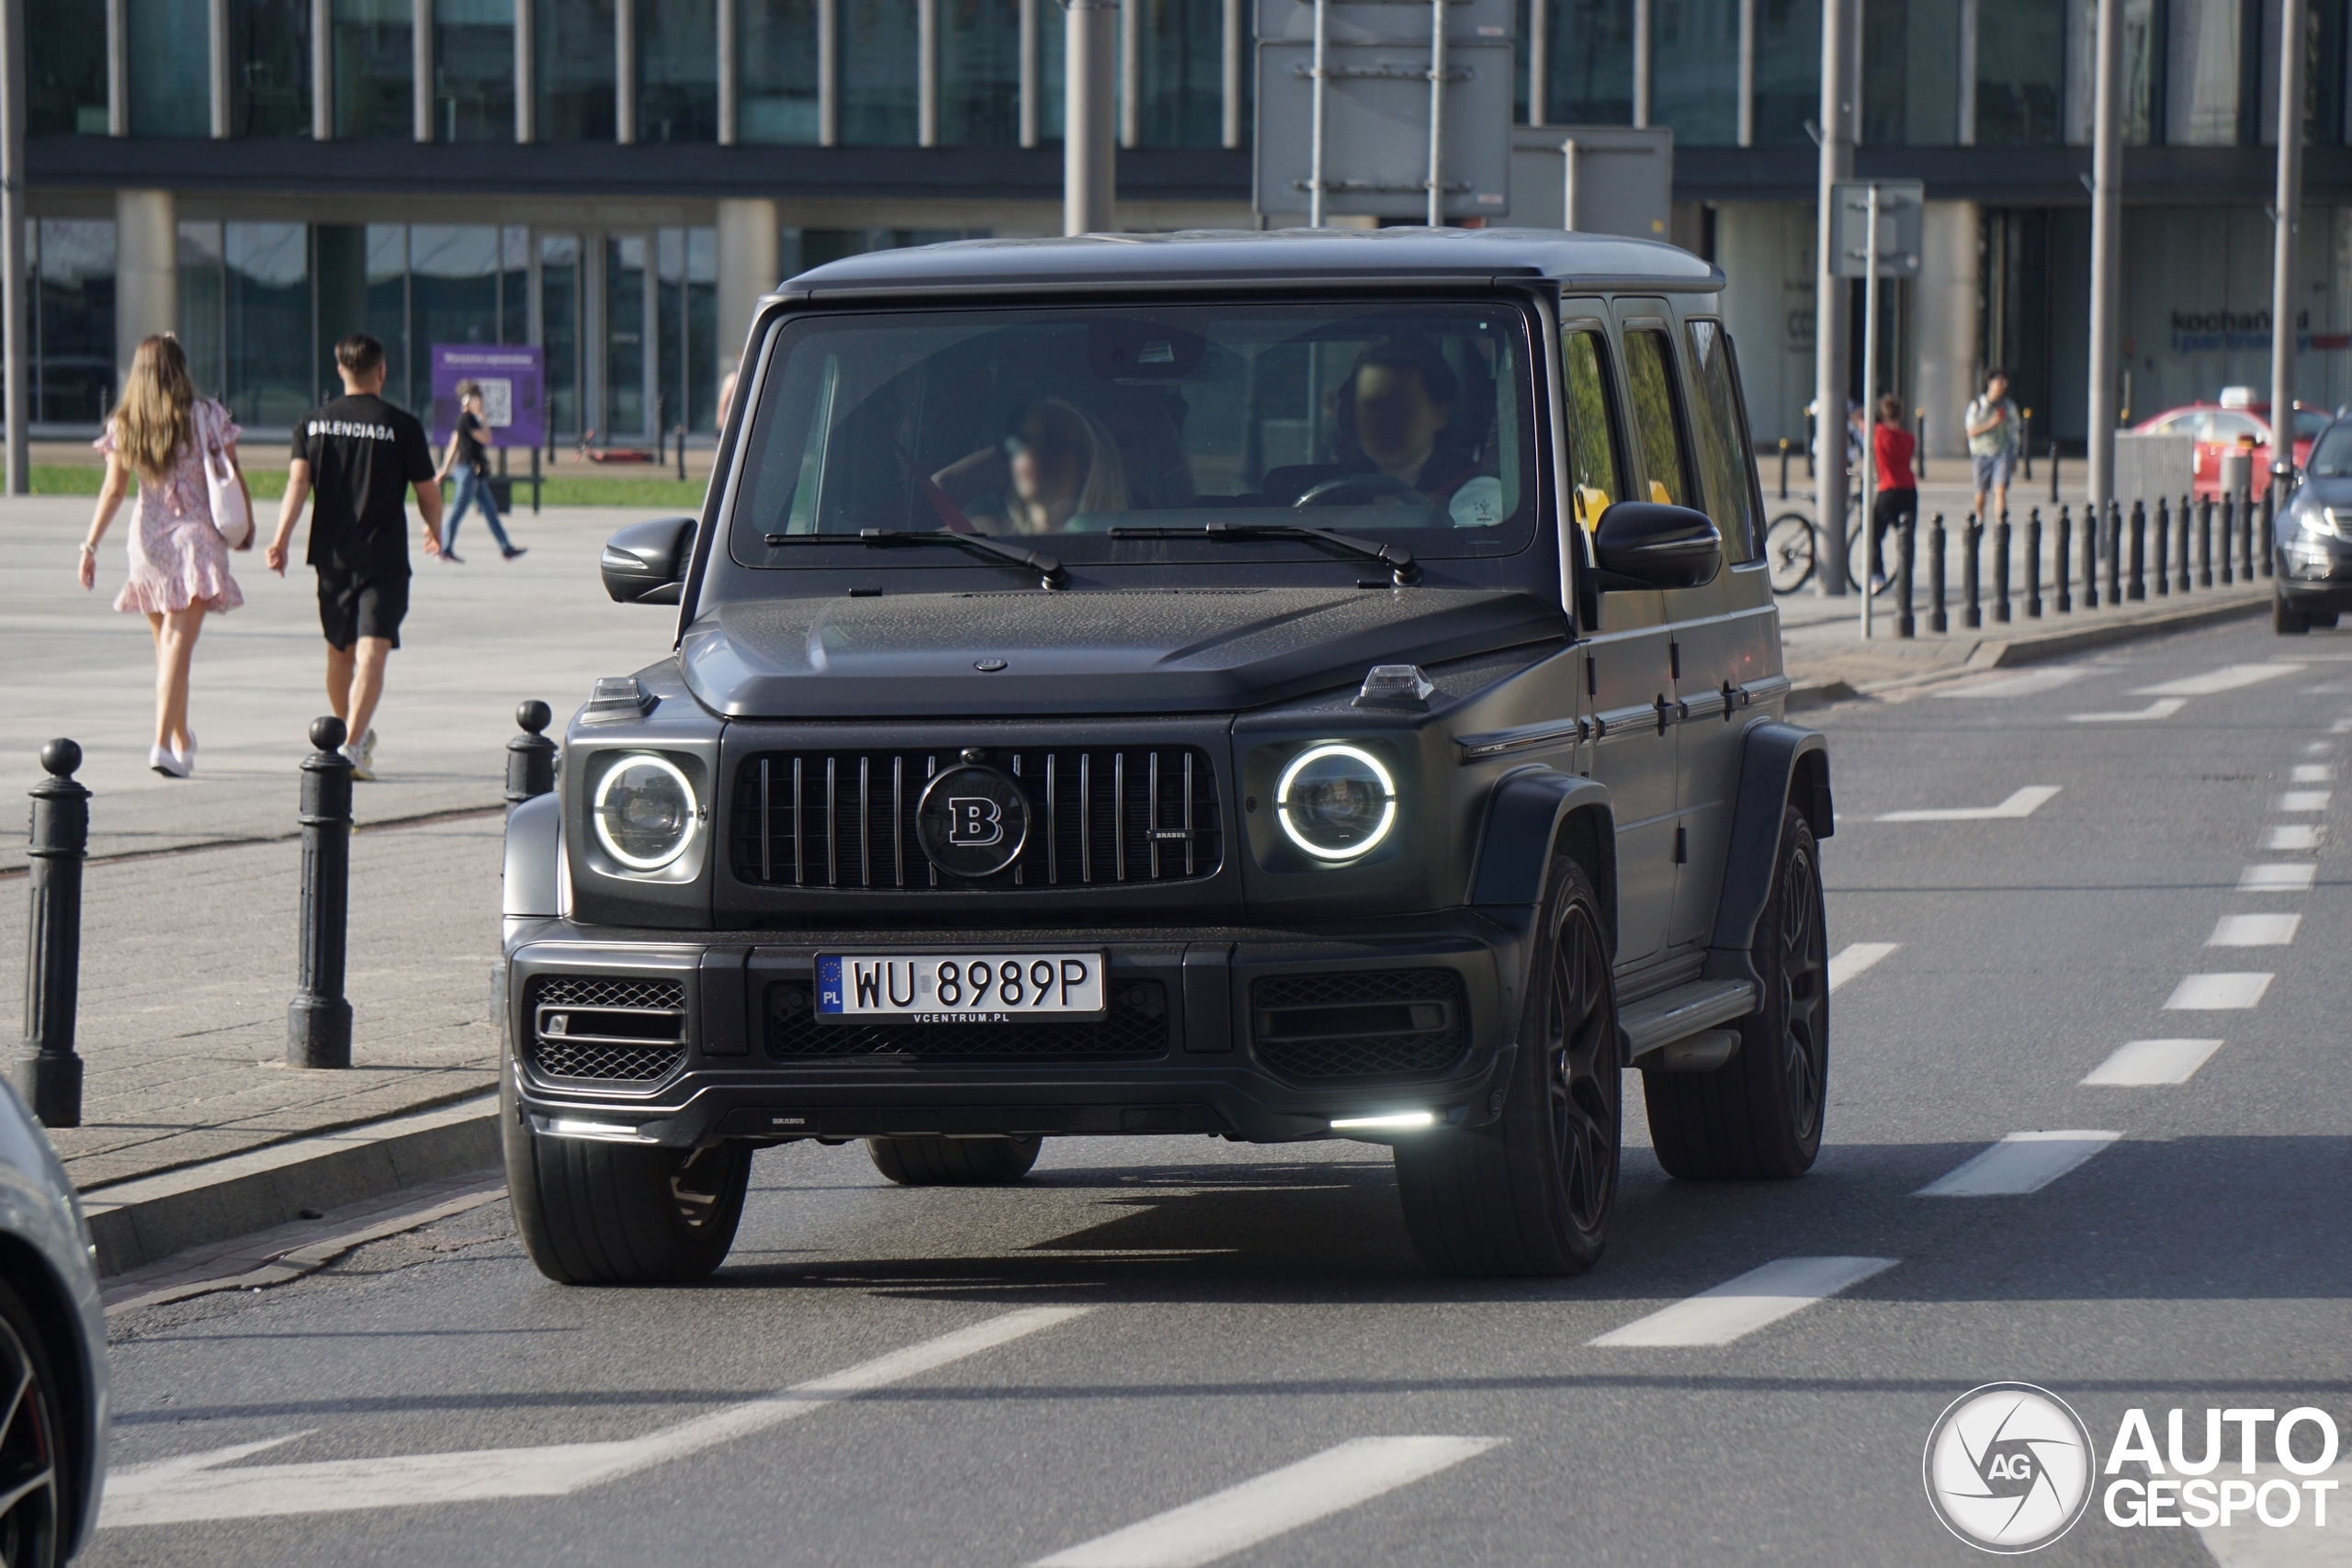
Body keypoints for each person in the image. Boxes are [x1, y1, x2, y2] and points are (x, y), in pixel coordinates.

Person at [264, 333, 443, 782]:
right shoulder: (402, 426)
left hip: (330, 556)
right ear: (382, 372)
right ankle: (353, 740)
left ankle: (352, 741)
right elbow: (428, 492)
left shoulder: (313, 423)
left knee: (342, 653)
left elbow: (298, 484)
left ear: (341, 371)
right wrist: (434, 529)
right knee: (369, 654)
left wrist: (281, 538)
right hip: (383, 557)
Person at [75, 333, 250, 778]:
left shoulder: (127, 422)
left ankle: (180, 739)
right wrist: (244, 527)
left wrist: (90, 545)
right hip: (195, 540)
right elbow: (232, 473)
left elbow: (115, 489)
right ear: (181, 369)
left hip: (148, 542)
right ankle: (160, 745)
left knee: (168, 649)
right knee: (178, 647)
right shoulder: (207, 415)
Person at [933, 398, 1129, 534]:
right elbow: (942, 484)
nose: (1029, 453)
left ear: (1086, 464)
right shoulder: (986, 535)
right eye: (1022, 443)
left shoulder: (1123, 545)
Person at [433, 379, 525, 563]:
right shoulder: (467, 419)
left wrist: (444, 469)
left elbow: (453, 445)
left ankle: (506, 548)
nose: (481, 401)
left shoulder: (466, 419)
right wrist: (482, 416)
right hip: (467, 471)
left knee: (490, 511)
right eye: (478, 397)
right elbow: (487, 438)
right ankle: (443, 549)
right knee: (458, 510)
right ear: (470, 400)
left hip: (474, 472)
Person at [1868, 393, 1919, 593]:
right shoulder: (1909, 438)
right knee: (1906, 535)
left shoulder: (1878, 433)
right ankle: (1906, 578)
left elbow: (1859, 422)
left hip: (1888, 489)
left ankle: (1877, 576)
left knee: (1873, 534)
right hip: (1909, 489)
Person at [1966, 368, 2022, 525]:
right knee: (1980, 493)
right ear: (1990, 383)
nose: (2003, 386)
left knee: (2001, 489)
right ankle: (1980, 518)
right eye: (1999, 382)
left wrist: (2014, 455)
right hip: (1980, 453)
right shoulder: (1977, 406)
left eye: (2005, 382)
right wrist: (1992, 424)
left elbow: (2014, 432)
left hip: (2002, 452)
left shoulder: (2009, 407)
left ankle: (2000, 522)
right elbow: (1971, 432)